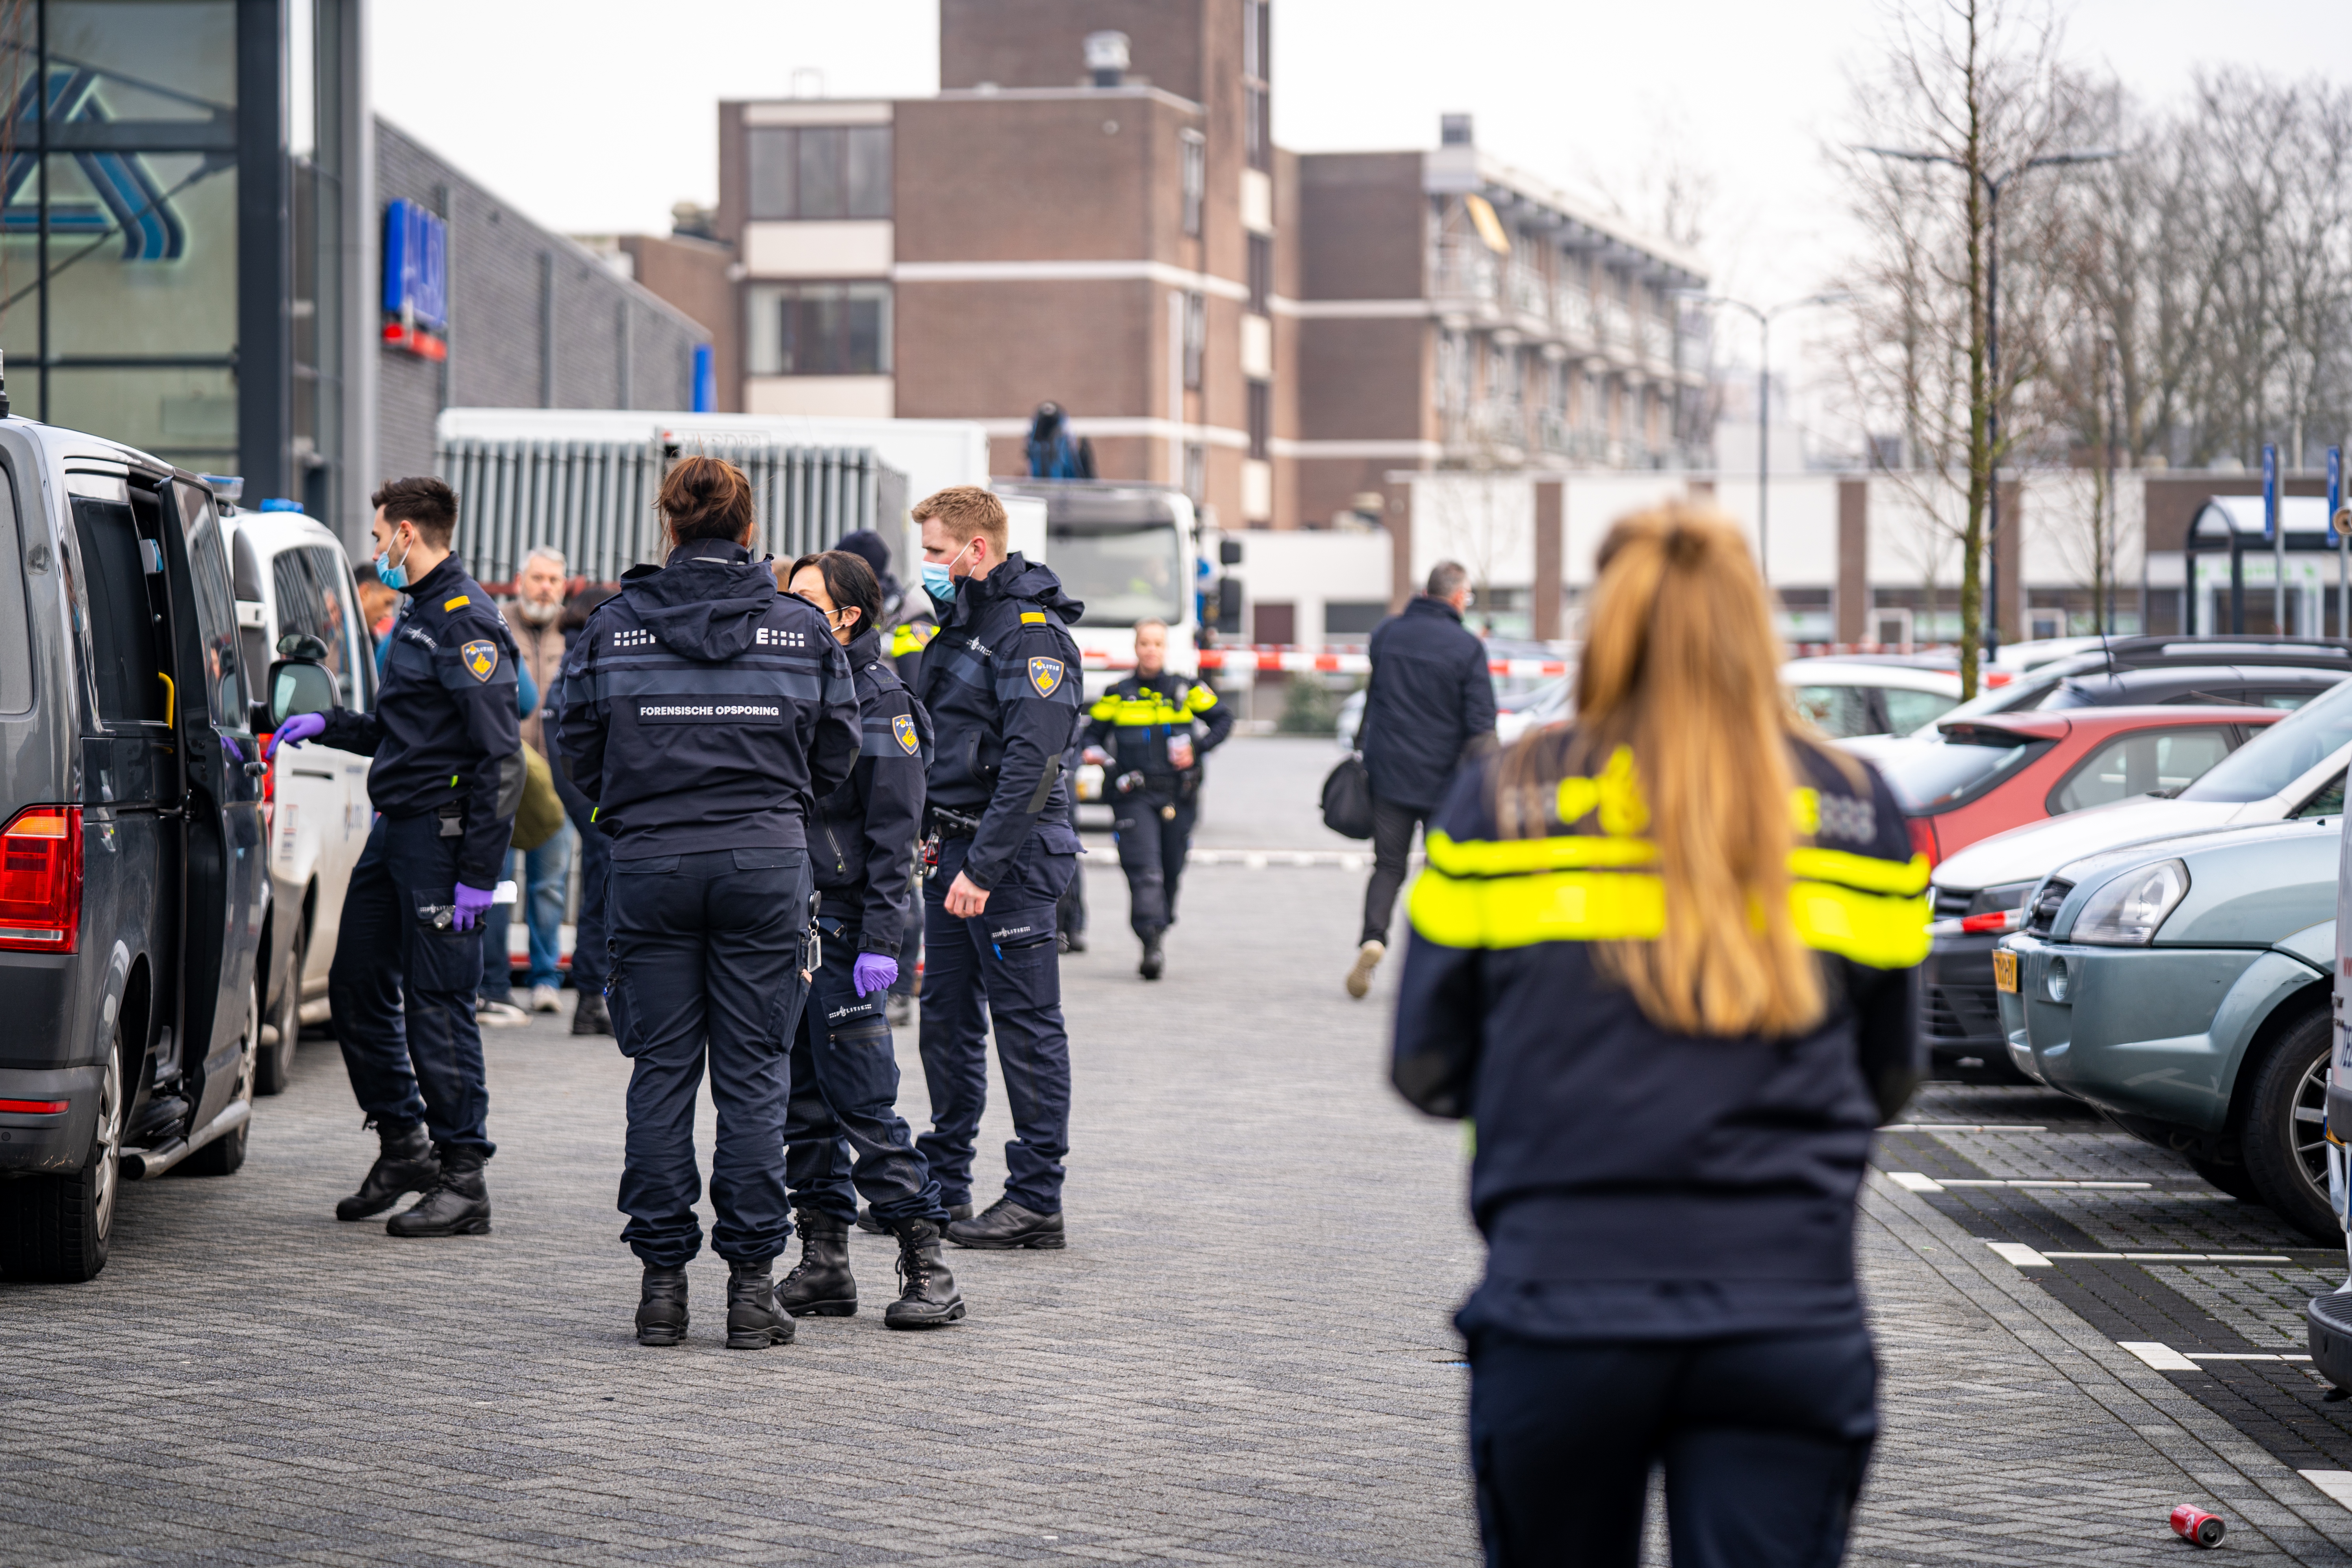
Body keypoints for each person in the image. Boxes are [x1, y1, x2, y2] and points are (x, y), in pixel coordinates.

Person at [1391, 506, 1925, 1567]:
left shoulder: (1502, 801)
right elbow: (1893, 1073)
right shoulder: (1860, 810)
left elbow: (1424, 1065)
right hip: (1787, 1311)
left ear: (1607, 623)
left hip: (1560, 1309)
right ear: (1754, 625)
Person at [554, 456, 859, 1349]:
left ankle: (661, 1288)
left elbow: (574, 741)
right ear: (751, 530)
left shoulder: (613, 627)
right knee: (757, 1078)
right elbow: (838, 753)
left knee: (661, 1073)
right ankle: (754, 1288)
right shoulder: (801, 630)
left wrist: (633, 809)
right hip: (765, 864)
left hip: (650, 863)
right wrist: (775, 804)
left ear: (671, 526)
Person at [269, 477, 522, 1237]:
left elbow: (500, 759)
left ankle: (464, 1178)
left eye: (380, 536)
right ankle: (404, 1143)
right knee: (354, 986)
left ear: (409, 533)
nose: (375, 549)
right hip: (396, 831)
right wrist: (325, 723)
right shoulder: (415, 615)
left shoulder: (466, 621)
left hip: (441, 842)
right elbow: (400, 731)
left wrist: (479, 874)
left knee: (438, 1007)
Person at [772, 548, 965, 1329]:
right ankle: (823, 1263)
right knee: (800, 1106)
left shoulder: (880, 696)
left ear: (847, 615)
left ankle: (930, 1265)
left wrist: (885, 937)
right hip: (788, 924)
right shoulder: (795, 682)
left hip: (850, 929)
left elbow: (894, 834)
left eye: (806, 600)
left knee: (864, 1103)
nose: (788, 612)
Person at [909, 484, 1085, 1251]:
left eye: (936, 552)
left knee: (1026, 1024)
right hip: (953, 853)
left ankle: (1036, 1196)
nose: (929, 567)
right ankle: (942, 1185)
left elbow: (1035, 763)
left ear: (976, 550)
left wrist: (980, 867)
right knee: (944, 1021)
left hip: (1005, 860)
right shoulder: (959, 625)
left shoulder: (1028, 634)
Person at [1347, 560, 1497, 1000]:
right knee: (1441, 874)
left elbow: (1376, 695)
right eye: (1466, 595)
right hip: (1443, 784)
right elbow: (1480, 724)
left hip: (1389, 776)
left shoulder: (1387, 634)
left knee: (1388, 866)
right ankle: (1431, 965)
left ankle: (1372, 940)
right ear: (1455, 597)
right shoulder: (1466, 648)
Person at [1080, 618, 1232, 979]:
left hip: (1178, 796)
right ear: (1136, 648)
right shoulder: (1117, 692)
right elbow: (1091, 737)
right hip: (1134, 796)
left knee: (1171, 871)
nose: (1151, 650)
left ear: (1166, 649)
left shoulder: (1186, 689)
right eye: (1145, 643)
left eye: (1158, 644)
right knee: (1144, 870)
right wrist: (1103, 759)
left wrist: (1197, 748)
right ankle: (1150, 941)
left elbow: (1224, 720)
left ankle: (1159, 926)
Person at [835, 527, 929, 1026]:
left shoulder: (912, 613)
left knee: (898, 874)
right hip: (851, 738)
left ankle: (899, 986)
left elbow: (917, 684)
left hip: (887, 734)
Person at [504, 546, 580, 1015]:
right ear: (519, 580)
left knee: (548, 886)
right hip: (503, 778)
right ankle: (489, 979)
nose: (545, 588)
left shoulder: (571, 636)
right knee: (495, 885)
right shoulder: (496, 626)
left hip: (555, 786)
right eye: (538, 579)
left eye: (554, 580)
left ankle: (545, 978)